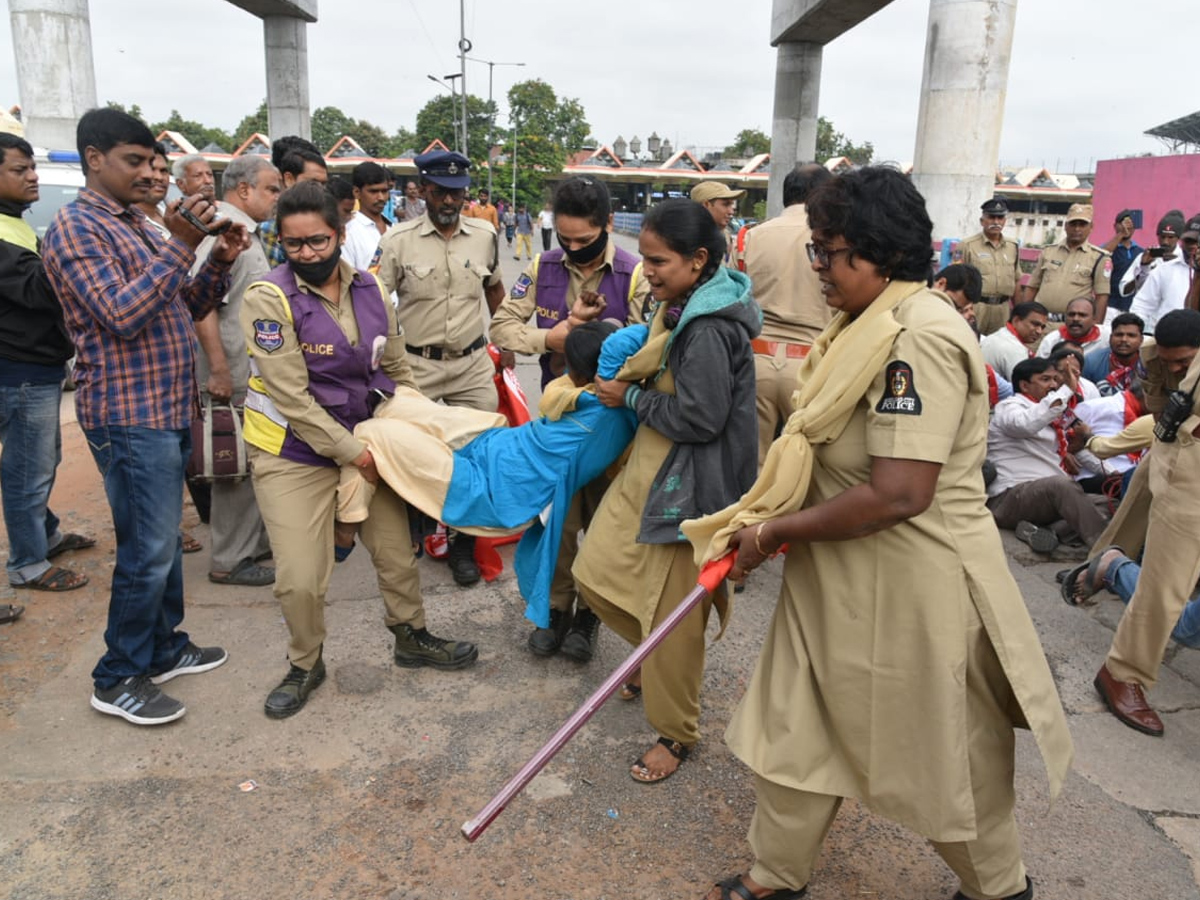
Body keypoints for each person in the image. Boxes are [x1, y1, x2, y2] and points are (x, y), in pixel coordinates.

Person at [683, 166, 1071, 900]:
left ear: (878, 252)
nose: (818, 268)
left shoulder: (917, 338)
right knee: (797, 723)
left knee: (941, 750)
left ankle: (998, 886)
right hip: (835, 575)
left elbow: (900, 492)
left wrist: (769, 534)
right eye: (816, 251)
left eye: (828, 252)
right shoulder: (859, 324)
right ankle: (778, 870)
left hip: (913, 585)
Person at [240, 181, 479, 719]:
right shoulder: (268, 297)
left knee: (397, 554)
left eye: (318, 242)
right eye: (293, 244)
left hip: (366, 440)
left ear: (339, 234)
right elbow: (292, 399)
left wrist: (415, 423)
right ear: (280, 241)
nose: (306, 254)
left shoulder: (371, 288)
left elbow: (394, 368)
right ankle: (306, 663)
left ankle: (411, 636)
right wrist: (358, 455)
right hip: (292, 452)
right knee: (300, 579)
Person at [42, 108, 247, 725]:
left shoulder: (136, 225)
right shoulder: (78, 228)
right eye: (134, 162)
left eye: (152, 162)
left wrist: (214, 260)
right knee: (149, 547)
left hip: (163, 405)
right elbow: (122, 313)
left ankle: (163, 646)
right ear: (94, 158)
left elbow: (181, 303)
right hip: (127, 413)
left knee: (159, 543)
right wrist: (183, 244)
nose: (148, 174)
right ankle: (118, 674)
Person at [572, 198, 761, 783]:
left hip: (692, 486)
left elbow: (702, 418)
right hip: (657, 470)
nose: (646, 271)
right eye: (646, 259)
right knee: (596, 571)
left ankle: (676, 734)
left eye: (658, 261)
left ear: (699, 259)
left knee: (674, 620)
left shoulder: (705, 328)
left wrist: (626, 397)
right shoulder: (681, 309)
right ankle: (646, 661)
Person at [490, 175, 650, 660]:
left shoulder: (635, 274)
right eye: (566, 240)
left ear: (607, 225)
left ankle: (589, 616)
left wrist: (607, 338)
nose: (575, 250)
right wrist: (556, 339)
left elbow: (657, 341)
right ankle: (555, 608)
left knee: (604, 524)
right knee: (556, 521)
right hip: (558, 422)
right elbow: (502, 326)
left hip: (613, 429)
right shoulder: (543, 266)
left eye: (586, 240)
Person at [376, 150, 506, 587]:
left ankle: (464, 546)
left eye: (457, 193)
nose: (450, 201)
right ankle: (421, 531)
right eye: (440, 192)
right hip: (417, 366)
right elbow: (374, 299)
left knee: (479, 453)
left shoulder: (485, 234)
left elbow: (494, 288)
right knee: (415, 452)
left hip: (471, 364)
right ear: (423, 191)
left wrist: (503, 339)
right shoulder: (398, 240)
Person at [1079, 323, 1200, 737]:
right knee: (1168, 591)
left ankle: (1111, 565)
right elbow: (1160, 404)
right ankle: (1123, 672)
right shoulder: (1162, 359)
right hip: (1191, 473)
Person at [0, 131, 94, 596]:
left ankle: (45, 535)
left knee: (40, 460)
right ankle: (26, 563)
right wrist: (73, 255)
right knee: (26, 469)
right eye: (20, 170)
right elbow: (38, 291)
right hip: (18, 366)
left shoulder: (12, 223)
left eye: (31, 167)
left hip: (35, 365)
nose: (32, 177)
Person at [192, 153, 280, 587]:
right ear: (244, 189)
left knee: (250, 463)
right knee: (235, 466)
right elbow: (202, 306)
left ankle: (249, 545)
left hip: (246, 368)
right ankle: (230, 558)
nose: (277, 198)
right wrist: (220, 371)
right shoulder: (224, 230)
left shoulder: (243, 228)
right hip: (232, 370)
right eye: (272, 189)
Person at [741, 163, 833, 467]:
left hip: (756, 360)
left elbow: (733, 297)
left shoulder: (750, 237)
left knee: (752, 466)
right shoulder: (834, 240)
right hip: (812, 364)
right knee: (805, 464)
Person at [1025, 203, 1111, 320]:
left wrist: (1096, 328)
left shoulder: (1099, 257)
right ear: (1065, 226)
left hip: (1074, 325)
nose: (1077, 229)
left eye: (1082, 225)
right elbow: (1032, 287)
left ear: (1091, 227)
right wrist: (1023, 316)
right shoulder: (1049, 251)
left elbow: (1102, 297)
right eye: (1073, 224)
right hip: (1041, 323)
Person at [956, 196, 1021, 335]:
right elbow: (957, 280)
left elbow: (1016, 280)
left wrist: (1018, 311)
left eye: (1000, 218)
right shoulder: (967, 245)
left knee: (999, 347)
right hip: (977, 306)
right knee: (971, 341)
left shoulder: (1012, 247)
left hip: (1002, 309)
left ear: (1005, 221)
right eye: (991, 217)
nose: (996, 222)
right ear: (982, 221)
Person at [260, 139, 328, 268]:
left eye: (324, 184)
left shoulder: (328, 219)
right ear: (288, 179)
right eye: (313, 182)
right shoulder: (268, 228)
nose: (321, 190)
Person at [1131, 219, 1196, 335]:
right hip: (1167, 340)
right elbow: (1141, 306)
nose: (1193, 246)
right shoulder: (1164, 270)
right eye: (1189, 241)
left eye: (1197, 241)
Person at [1116, 210, 1184, 303]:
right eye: (1162, 237)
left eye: (1170, 237)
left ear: (1178, 238)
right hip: (1148, 313)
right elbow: (1124, 290)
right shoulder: (1145, 257)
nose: (1165, 242)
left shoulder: (1185, 259)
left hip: (1175, 312)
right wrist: (1144, 268)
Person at [342, 161, 392, 271]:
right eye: (373, 191)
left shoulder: (394, 229)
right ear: (357, 192)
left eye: (384, 191)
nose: (381, 197)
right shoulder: (348, 234)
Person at [980, 300, 1048, 379]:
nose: (1039, 331)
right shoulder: (1014, 348)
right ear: (1016, 321)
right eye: (1035, 324)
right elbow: (1025, 387)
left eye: (1042, 327)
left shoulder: (1000, 335)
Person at [1082, 311, 1144, 395]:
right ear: (1110, 337)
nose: (1124, 339)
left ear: (1141, 340)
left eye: (1131, 335)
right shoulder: (1091, 362)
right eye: (1119, 335)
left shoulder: (1150, 363)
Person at [691, 180, 746, 267]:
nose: (731, 211)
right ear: (706, 205)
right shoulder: (688, 236)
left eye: (731, 205)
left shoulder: (725, 233)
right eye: (725, 204)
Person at [1101, 208, 1142, 313]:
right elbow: (1100, 257)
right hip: (1109, 306)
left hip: (1132, 307)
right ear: (1115, 226)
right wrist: (1121, 234)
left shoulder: (1140, 252)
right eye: (1123, 223)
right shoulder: (1107, 247)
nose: (1127, 227)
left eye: (1130, 224)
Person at [1037, 296, 1107, 356]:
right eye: (1071, 314)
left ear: (1094, 319)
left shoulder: (1107, 337)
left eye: (1082, 315)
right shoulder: (1051, 340)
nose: (1075, 319)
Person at [133, 142, 171, 238]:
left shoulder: (170, 216)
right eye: (152, 169)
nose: (159, 177)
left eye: (163, 171)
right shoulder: (127, 223)